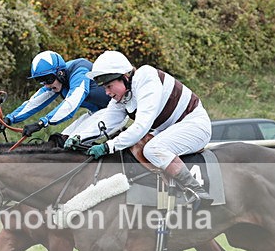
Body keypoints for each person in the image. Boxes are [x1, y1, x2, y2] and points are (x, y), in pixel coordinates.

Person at [75, 50, 212, 205]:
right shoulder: (124, 94)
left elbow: (141, 126)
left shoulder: (146, 78)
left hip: (195, 125)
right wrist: (80, 137)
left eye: (109, 86)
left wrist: (108, 146)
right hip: (171, 129)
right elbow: (105, 123)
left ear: (124, 77)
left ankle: (196, 191)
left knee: (152, 149)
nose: (107, 93)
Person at [3, 51, 111, 140]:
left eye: (48, 80)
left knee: (73, 141)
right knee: (60, 140)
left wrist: (42, 122)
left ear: (60, 73)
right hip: (96, 112)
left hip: (115, 110)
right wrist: (9, 119)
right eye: (41, 81)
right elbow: (35, 102)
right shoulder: (57, 80)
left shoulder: (80, 71)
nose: (47, 85)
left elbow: (71, 103)